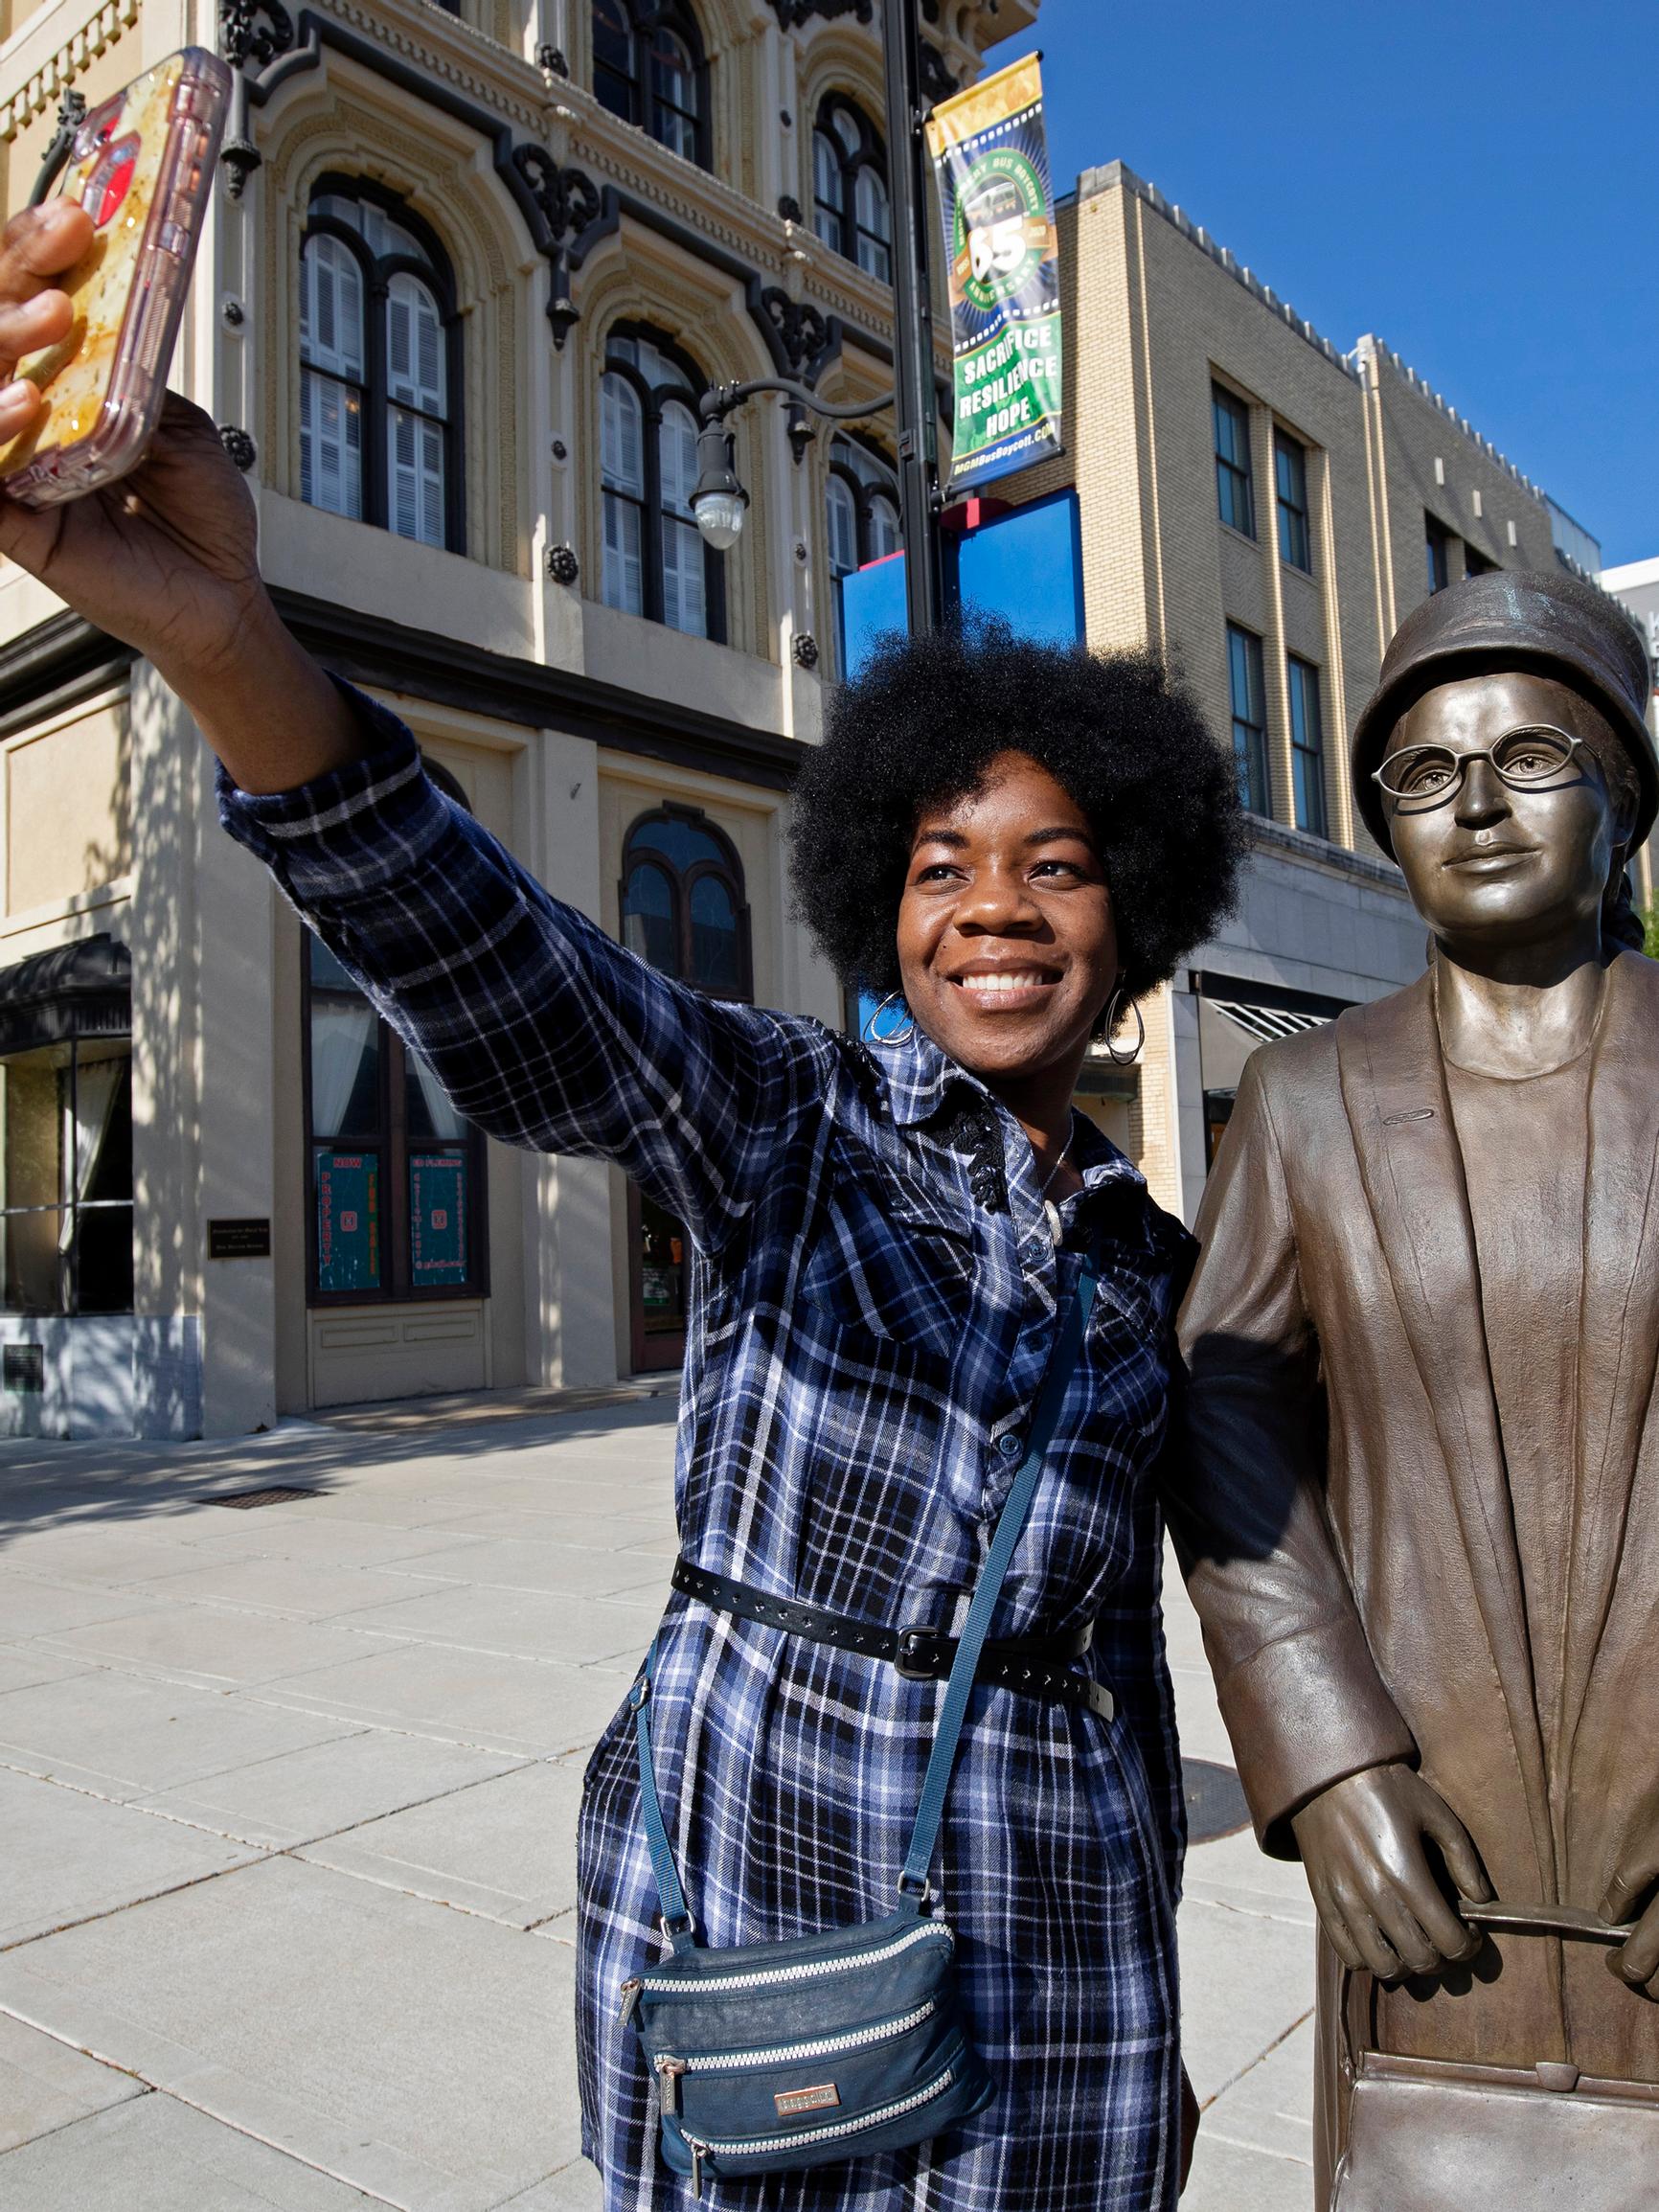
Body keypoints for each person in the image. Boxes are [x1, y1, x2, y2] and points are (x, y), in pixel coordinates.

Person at [0, 200, 1244, 2207]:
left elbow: (1170, 1642)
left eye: (1057, 864)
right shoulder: (785, 1118)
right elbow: (503, 973)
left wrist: (1164, 2041)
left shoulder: (1159, 1270)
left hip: (1066, 1975)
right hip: (760, 1922)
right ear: (874, 903)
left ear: (1142, 907)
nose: (994, 906)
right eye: (938, 866)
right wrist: (224, 636)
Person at [1172, 567, 1659, 2206]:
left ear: (1622, 795)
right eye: (1423, 772)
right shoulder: (1305, 1100)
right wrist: (1326, 1760)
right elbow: (1225, 1419)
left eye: (1530, 755)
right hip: (1432, 1865)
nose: (1473, 802)